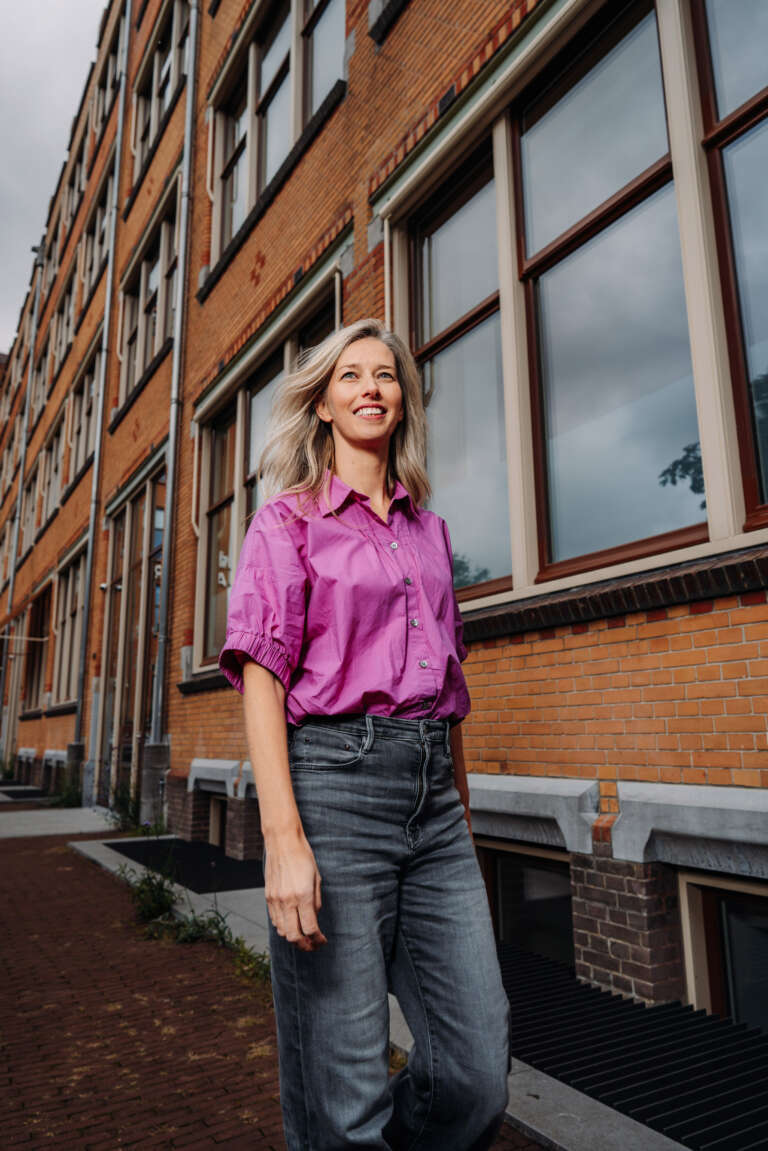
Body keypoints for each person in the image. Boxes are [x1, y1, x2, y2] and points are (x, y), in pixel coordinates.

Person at [219, 318, 510, 1151]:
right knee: (343, 1096)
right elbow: (264, 674)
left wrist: (462, 814)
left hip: (433, 799)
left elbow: (452, 688)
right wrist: (284, 838)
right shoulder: (288, 522)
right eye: (351, 376)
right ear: (322, 403)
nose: (371, 387)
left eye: (386, 375)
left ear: (402, 401)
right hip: (333, 787)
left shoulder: (430, 531)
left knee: (475, 1072)